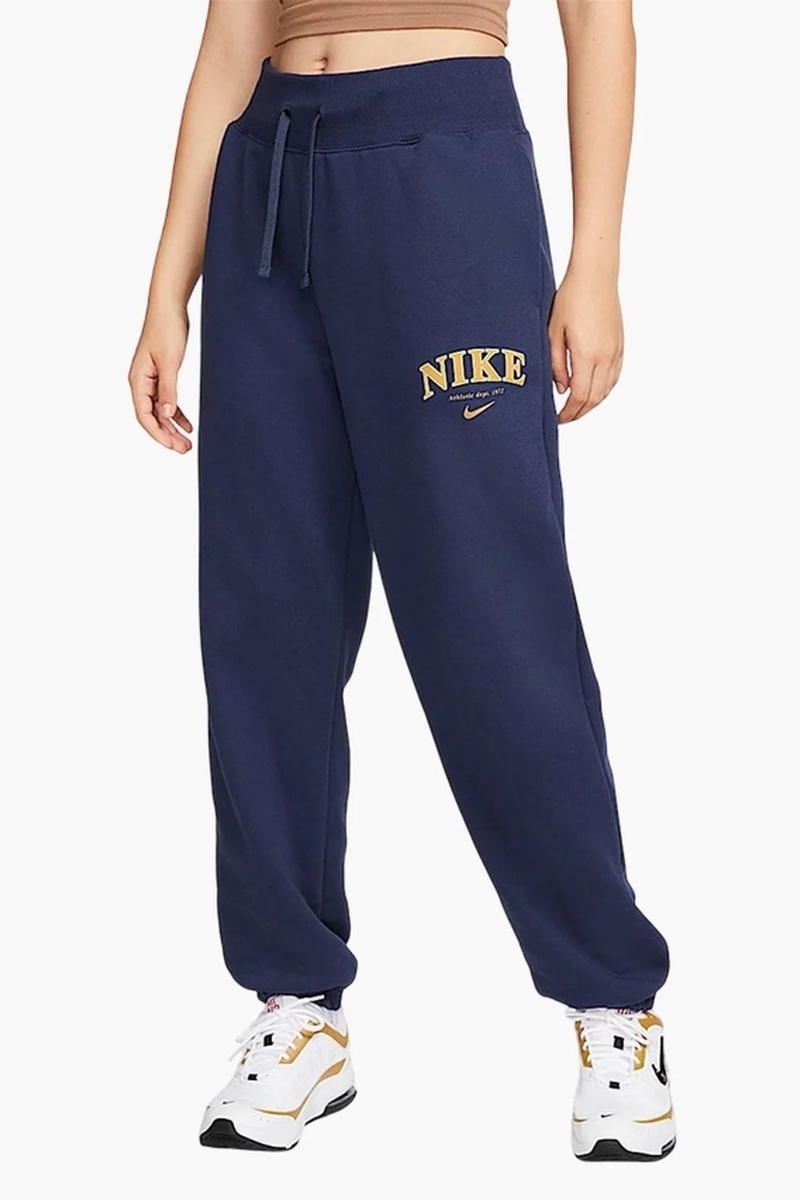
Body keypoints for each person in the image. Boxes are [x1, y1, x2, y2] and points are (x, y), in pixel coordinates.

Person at [129, 0, 673, 1162]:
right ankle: (297, 1004)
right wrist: (168, 290)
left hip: (444, 170)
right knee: (264, 618)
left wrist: (594, 262)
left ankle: (613, 1003)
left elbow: (599, 20)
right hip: (267, 184)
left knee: (490, 614)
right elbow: (230, 43)